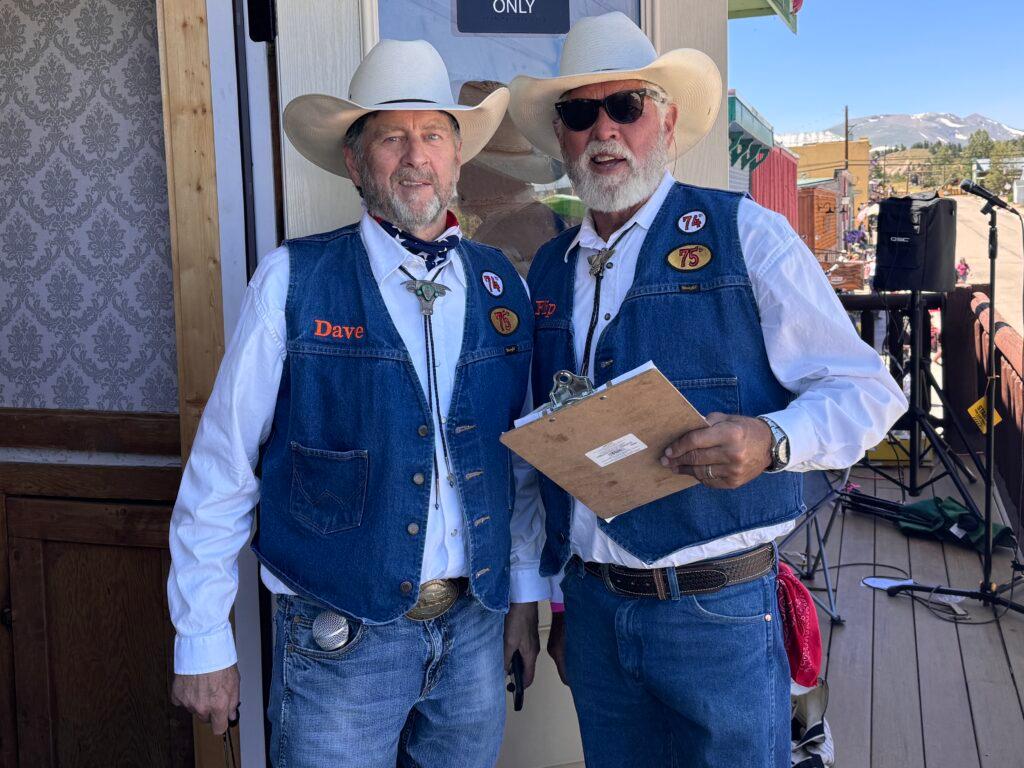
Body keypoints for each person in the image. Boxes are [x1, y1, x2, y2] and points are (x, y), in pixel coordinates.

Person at [508, 12, 907, 768]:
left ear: (667, 120)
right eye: (579, 112)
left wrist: (774, 441)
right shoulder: (550, 270)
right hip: (592, 612)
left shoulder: (747, 233)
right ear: (561, 136)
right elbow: (543, 457)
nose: (605, 130)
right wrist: (552, 599)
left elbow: (868, 391)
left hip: (718, 615)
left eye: (626, 106)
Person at [166, 39, 548, 768]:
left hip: (474, 629)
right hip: (337, 640)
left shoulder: (503, 284)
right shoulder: (291, 280)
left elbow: (520, 464)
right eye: (390, 137)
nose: (415, 155)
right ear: (353, 161)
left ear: (457, 156)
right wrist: (202, 639)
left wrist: (523, 599)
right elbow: (222, 467)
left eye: (433, 134)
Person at [456, 80, 568, 278]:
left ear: (488, 175)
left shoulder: (496, 237)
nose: (457, 179)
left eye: (465, 166)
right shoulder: (545, 219)